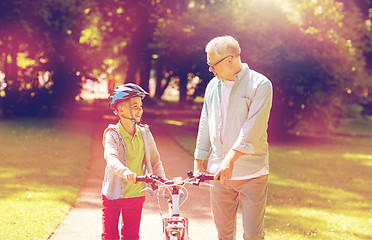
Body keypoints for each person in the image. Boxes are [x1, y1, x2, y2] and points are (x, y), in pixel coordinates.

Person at [194, 35, 273, 240]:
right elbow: (205, 122)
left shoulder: (260, 84)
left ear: (230, 59)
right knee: (224, 234)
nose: (211, 70)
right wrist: (198, 161)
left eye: (213, 65)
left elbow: (252, 129)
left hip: (251, 172)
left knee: (253, 235)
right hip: (219, 175)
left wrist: (230, 160)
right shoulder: (213, 86)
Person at [101, 83, 166, 240]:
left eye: (141, 106)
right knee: (109, 236)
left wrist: (164, 183)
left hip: (136, 195)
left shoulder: (144, 133)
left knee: (131, 237)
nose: (140, 110)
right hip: (112, 195)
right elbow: (111, 158)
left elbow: (155, 161)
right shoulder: (112, 134)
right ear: (121, 109)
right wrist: (126, 172)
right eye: (135, 106)